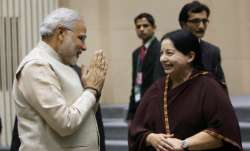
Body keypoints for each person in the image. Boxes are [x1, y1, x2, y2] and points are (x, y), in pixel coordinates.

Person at [128, 29, 242, 151]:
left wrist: (184, 144)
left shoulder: (209, 87)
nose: (162, 59)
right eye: (161, 53)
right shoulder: (157, 88)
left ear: (190, 56)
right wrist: (151, 138)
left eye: (169, 53)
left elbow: (224, 131)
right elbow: (136, 129)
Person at [12, 8, 108, 151]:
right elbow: (65, 123)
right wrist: (90, 90)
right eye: (81, 38)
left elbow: (84, 116)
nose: (84, 46)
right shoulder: (36, 65)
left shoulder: (61, 63)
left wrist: (93, 90)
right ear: (61, 33)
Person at [10, 65, 107, 151]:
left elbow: (95, 127)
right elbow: (21, 131)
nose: (83, 48)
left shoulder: (82, 76)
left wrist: (92, 91)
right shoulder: (35, 73)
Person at [127, 13, 164, 124]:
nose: (141, 29)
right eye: (138, 27)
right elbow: (136, 84)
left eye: (145, 25)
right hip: (138, 105)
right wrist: (131, 113)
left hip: (154, 106)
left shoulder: (160, 49)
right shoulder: (136, 53)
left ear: (154, 28)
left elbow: (158, 81)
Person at [179, 1, 226, 83]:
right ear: (183, 24)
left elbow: (220, 85)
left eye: (204, 21)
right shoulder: (170, 49)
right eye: (195, 21)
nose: (201, 26)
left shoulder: (212, 51)